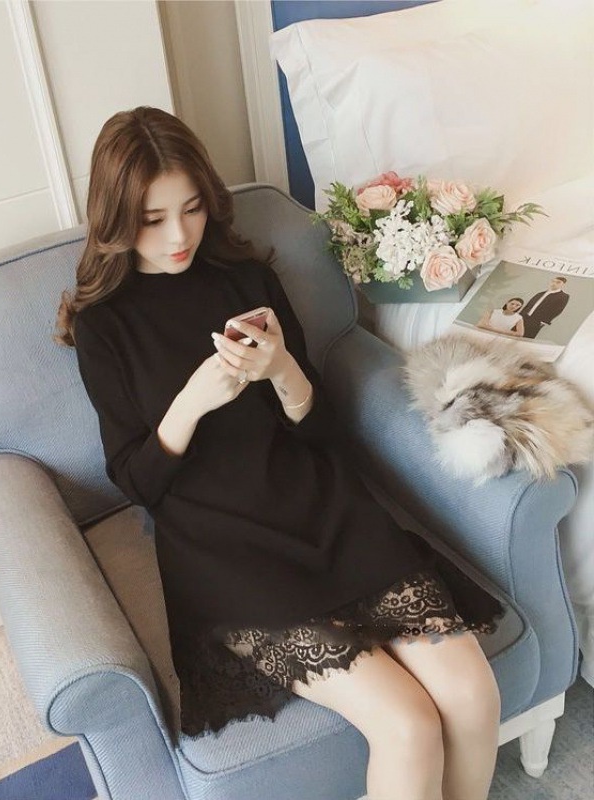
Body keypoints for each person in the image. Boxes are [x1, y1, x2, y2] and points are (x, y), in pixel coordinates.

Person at [58, 107, 501, 800]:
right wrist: (192, 402)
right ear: (116, 218)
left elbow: (322, 432)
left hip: (320, 507)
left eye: (192, 209)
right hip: (222, 547)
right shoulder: (102, 327)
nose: (178, 236)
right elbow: (137, 481)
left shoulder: (245, 280)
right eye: (152, 219)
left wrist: (283, 370)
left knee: (472, 694)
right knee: (408, 726)